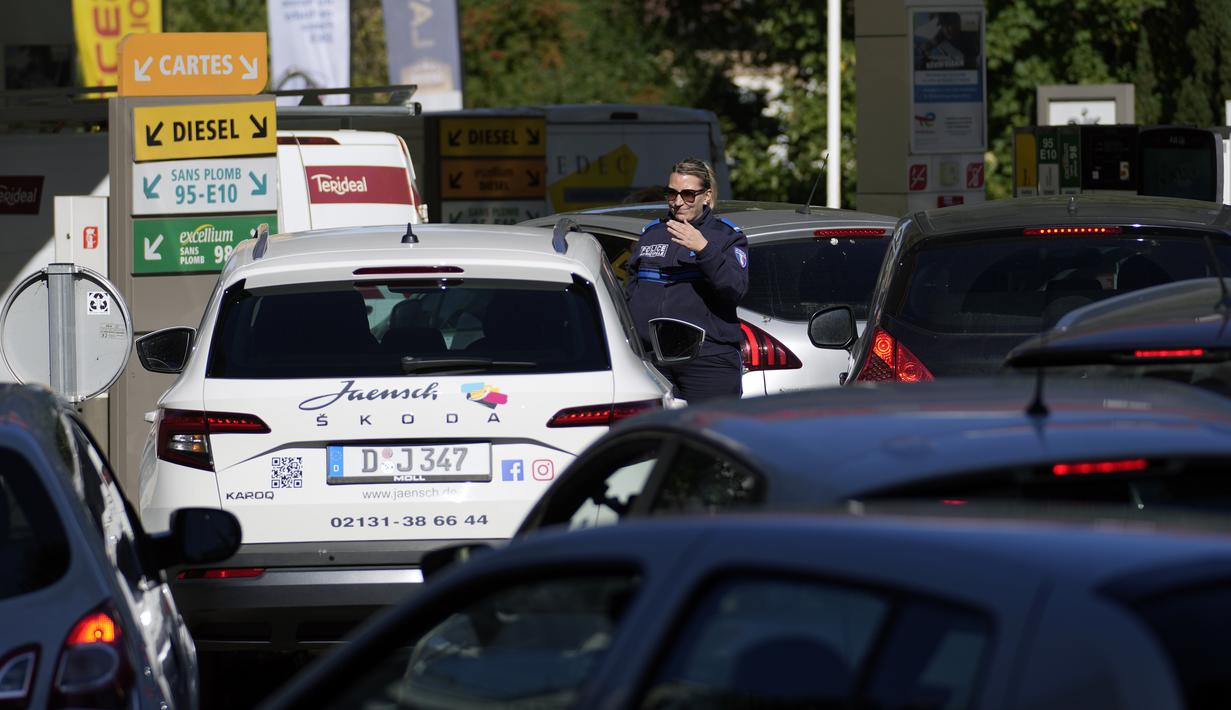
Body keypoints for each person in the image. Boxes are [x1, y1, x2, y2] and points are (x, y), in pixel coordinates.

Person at [625, 158, 748, 402]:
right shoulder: (652, 234)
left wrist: (704, 249)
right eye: (672, 194)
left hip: (708, 362)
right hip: (653, 361)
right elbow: (631, 290)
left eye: (688, 194)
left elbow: (735, 288)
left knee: (710, 437)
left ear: (707, 195)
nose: (678, 202)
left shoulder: (725, 237)